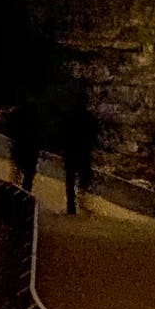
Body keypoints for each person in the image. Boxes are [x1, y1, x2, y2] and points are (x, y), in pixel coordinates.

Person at [57, 82, 99, 215]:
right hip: (83, 152)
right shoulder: (90, 118)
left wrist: (63, 148)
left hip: (71, 151)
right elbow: (94, 135)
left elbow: (64, 133)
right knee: (84, 177)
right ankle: (83, 202)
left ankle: (71, 206)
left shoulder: (69, 116)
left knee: (70, 179)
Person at [6, 99, 44, 201]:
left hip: (22, 146)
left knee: (19, 172)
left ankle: (16, 195)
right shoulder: (36, 113)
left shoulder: (19, 112)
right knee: (27, 175)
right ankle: (24, 196)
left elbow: (10, 126)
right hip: (29, 148)